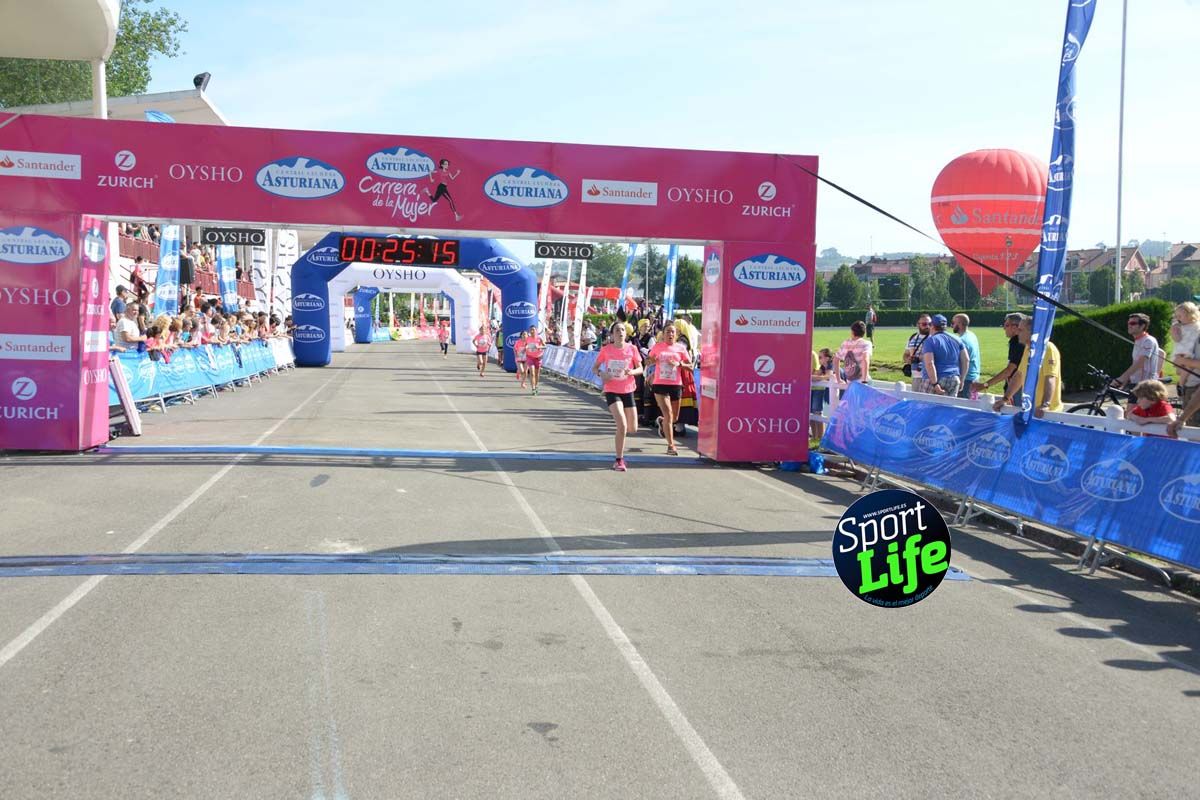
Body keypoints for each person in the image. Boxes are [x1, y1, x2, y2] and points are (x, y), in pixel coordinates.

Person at [593, 323, 644, 472]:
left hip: (628, 390)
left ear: (625, 333)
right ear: (612, 334)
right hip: (612, 390)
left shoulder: (632, 349)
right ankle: (619, 459)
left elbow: (640, 368)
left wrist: (632, 372)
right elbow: (595, 367)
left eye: (622, 330)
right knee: (622, 425)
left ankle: (620, 448)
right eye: (617, 330)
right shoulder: (606, 349)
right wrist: (601, 374)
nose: (620, 332)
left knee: (633, 428)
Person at [994, 316, 1062, 418]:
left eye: (1021, 330)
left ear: (1032, 332)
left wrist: (1045, 405)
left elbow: (1051, 378)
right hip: (1032, 410)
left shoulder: (1048, 348)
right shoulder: (1028, 349)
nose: (1017, 332)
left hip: (1047, 414)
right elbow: (1018, 376)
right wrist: (1005, 399)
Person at [646, 322, 693, 456]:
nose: (670, 334)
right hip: (660, 384)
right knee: (669, 414)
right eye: (668, 332)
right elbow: (648, 361)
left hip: (676, 384)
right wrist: (651, 361)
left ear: (676, 334)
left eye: (673, 332)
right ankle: (671, 445)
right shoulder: (657, 347)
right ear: (663, 334)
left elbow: (690, 366)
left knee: (675, 417)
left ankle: (661, 421)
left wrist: (679, 364)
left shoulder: (681, 348)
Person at [974, 313, 1025, 405]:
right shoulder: (1018, 342)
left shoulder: (1017, 342)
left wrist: (985, 385)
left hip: (1017, 388)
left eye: (1006, 325)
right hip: (1017, 387)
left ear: (1014, 327)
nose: (1004, 328)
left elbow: (1009, 370)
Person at [1113, 313, 1163, 394]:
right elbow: (1161, 353)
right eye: (1128, 323)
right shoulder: (1139, 340)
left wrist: (1121, 378)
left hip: (1145, 385)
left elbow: (1140, 363)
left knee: (1132, 407)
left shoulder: (1148, 341)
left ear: (1142, 326)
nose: (1129, 325)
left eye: (1133, 323)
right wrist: (1125, 381)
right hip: (1136, 383)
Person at [920, 314, 967, 397]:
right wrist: (962, 380)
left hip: (936, 378)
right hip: (954, 378)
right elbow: (966, 360)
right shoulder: (957, 339)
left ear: (932, 326)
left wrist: (935, 384)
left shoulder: (930, 341)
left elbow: (929, 363)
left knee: (927, 407)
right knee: (949, 408)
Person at [1170, 302, 1200, 426]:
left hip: (1194, 386)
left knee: (1194, 429)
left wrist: (1182, 362)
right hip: (1190, 386)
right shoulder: (1185, 329)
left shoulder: (1195, 330)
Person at [951, 313, 981, 399]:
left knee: (963, 407)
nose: (952, 325)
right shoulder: (972, 335)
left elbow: (962, 361)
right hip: (974, 376)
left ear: (959, 324)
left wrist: (961, 379)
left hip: (966, 379)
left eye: (953, 323)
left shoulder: (961, 340)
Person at [833, 321, 872, 385]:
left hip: (850, 381)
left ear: (852, 331)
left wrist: (838, 379)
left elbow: (835, 360)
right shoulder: (866, 344)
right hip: (861, 379)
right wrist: (864, 380)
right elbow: (865, 359)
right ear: (864, 332)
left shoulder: (845, 344)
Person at [811, 348, 835, 442]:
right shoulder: (822, 367)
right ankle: (815, 437)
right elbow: (818, 373)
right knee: (813, 413)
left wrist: (813, 377)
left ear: (827, 358)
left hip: (835, 392)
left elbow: (828, 376)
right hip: (827, 389)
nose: (819, 359)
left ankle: (821, 437)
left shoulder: (830, 366)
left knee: (817, 412)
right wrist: (815, 375)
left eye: (820, 357)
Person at [903, 313, 931, 389]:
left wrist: (920, 358)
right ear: (918, 325)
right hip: (916, 376)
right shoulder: (913, 337)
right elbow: (905, 354)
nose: (928, 326)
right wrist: (908, 360)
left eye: (930, 324)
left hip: (929, 377)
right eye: (924, 324)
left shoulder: (933, 338)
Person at [524, 324, 545, 395]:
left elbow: (545, 346)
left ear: (536, 330)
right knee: (532, 373)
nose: (532, 331)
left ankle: (536, 386)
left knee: (537, 374)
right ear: (529, 331)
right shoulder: (528, 339)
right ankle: (533, 388)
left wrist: (539, 347)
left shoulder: (539, 338)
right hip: (530, 357)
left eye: (533, 329)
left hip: (538, 357)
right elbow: (525, 346)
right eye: (531, 330)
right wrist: (526, 347)